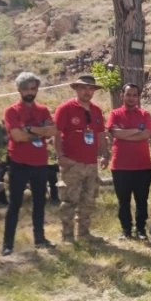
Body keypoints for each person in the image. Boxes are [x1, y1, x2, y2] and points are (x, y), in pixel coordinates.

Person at [0, 72, 57, 255]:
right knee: (15, 204)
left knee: (40, 203)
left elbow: (52, 131)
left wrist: (30, 129)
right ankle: (8, 245)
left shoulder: (43, 110)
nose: (29, 92)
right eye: (25, 89)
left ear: (37, 89)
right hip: (19, 163)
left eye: (33, 88)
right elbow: (17, 136)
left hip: (40, 163)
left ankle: (40, 239)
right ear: (19, 89)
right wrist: (41, 131)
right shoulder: (12, 111)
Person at [55, 75, 108, 243]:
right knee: (69, 200)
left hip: (91, 163)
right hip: (72, 163)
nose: (87, 91)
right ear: (76, 89)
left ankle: (84, 234)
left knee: (88, 200)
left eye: (91, 88)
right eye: (84, 88)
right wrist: (60, 156)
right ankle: (67, 236)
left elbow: (101, 135)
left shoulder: (96, 110)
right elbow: (56, 134)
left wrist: (104, 155)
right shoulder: (65, 108)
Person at [107, 83, 151, 240]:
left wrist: (124, 133)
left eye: (135, 95)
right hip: (120, 166)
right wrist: (135, 131)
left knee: (142, 200)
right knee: (123, 201)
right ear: (122, 95)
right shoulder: (115, 114)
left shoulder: (145, 114)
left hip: (142, 165)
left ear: (138, 97)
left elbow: (146, 134)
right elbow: (115, 133)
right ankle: (126, 229)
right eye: (128, 94)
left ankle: (141, 230)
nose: (131, 98)